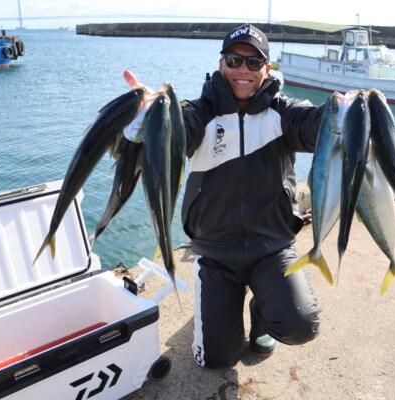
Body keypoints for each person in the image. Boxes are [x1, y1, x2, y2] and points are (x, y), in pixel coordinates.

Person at [125, 23, 329, 368]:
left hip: (273, 247)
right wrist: (149, 117)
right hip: (217, 252)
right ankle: (224, 309)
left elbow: (317, 124)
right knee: (216, 361)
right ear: (221, 63)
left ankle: (262, 310)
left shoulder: (285, 111)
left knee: (300, 327)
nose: (243, 70)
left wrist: (354, 112)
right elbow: (179, 130)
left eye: (254, 62)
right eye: (235, 59)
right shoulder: (198, 111)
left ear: (267, 67)